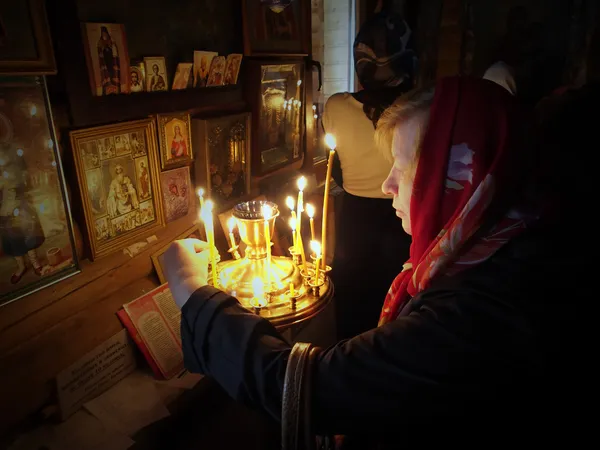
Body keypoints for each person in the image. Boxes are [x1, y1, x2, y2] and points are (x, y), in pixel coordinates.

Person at [164, 76, 580, 446]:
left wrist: (194, 292)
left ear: (460, 172)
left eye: (405, 166)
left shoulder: (479, 313)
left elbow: (306, 389)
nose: (387, 184)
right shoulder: (500, 251)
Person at [322, 11, 415, 339]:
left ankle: (344, 375)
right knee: (396, 313)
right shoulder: (419, 110)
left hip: (355, 222)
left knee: (352, 309)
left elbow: (337, 171)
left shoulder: (336, 107)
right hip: (403, 220)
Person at [97, 26, 120, 95]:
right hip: (105, 64)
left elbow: (115, 53)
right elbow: (100, 54)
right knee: (107, 76)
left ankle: (115, 91)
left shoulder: (111, 43)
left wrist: (112, 45)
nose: (104, 36)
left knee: (113, 76)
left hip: (112, 63)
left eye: (105, 34)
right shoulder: (100, 44)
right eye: (103, 34)